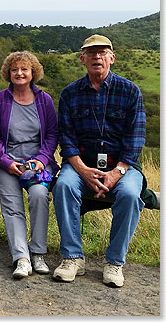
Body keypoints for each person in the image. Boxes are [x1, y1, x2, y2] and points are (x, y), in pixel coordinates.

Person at [53, 34, 146, 288]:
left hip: (123, 166)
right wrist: (82, 170)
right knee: (63, 186)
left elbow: (136, 138)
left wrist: (117, 172)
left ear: (112, 58)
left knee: (129, 194)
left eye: (103, 52)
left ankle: (115, 262)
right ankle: (72, 258)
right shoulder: (70, 93)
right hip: (80, 164)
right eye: (91, 53)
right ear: (83, 59)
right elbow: (66, 138)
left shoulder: (130, 91)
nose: (97, 57)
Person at [0, 51, 58, 279]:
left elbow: (52, 136)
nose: (19, 73)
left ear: (33, 72)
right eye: (15, 69)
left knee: (39, 195)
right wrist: (6, 162)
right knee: (12, 205)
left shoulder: (44, 100)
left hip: (37, 164)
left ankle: (37, 252)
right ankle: (22, 258)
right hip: (6, 163)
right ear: (8, 73)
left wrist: (41, 160)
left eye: (24, 69)